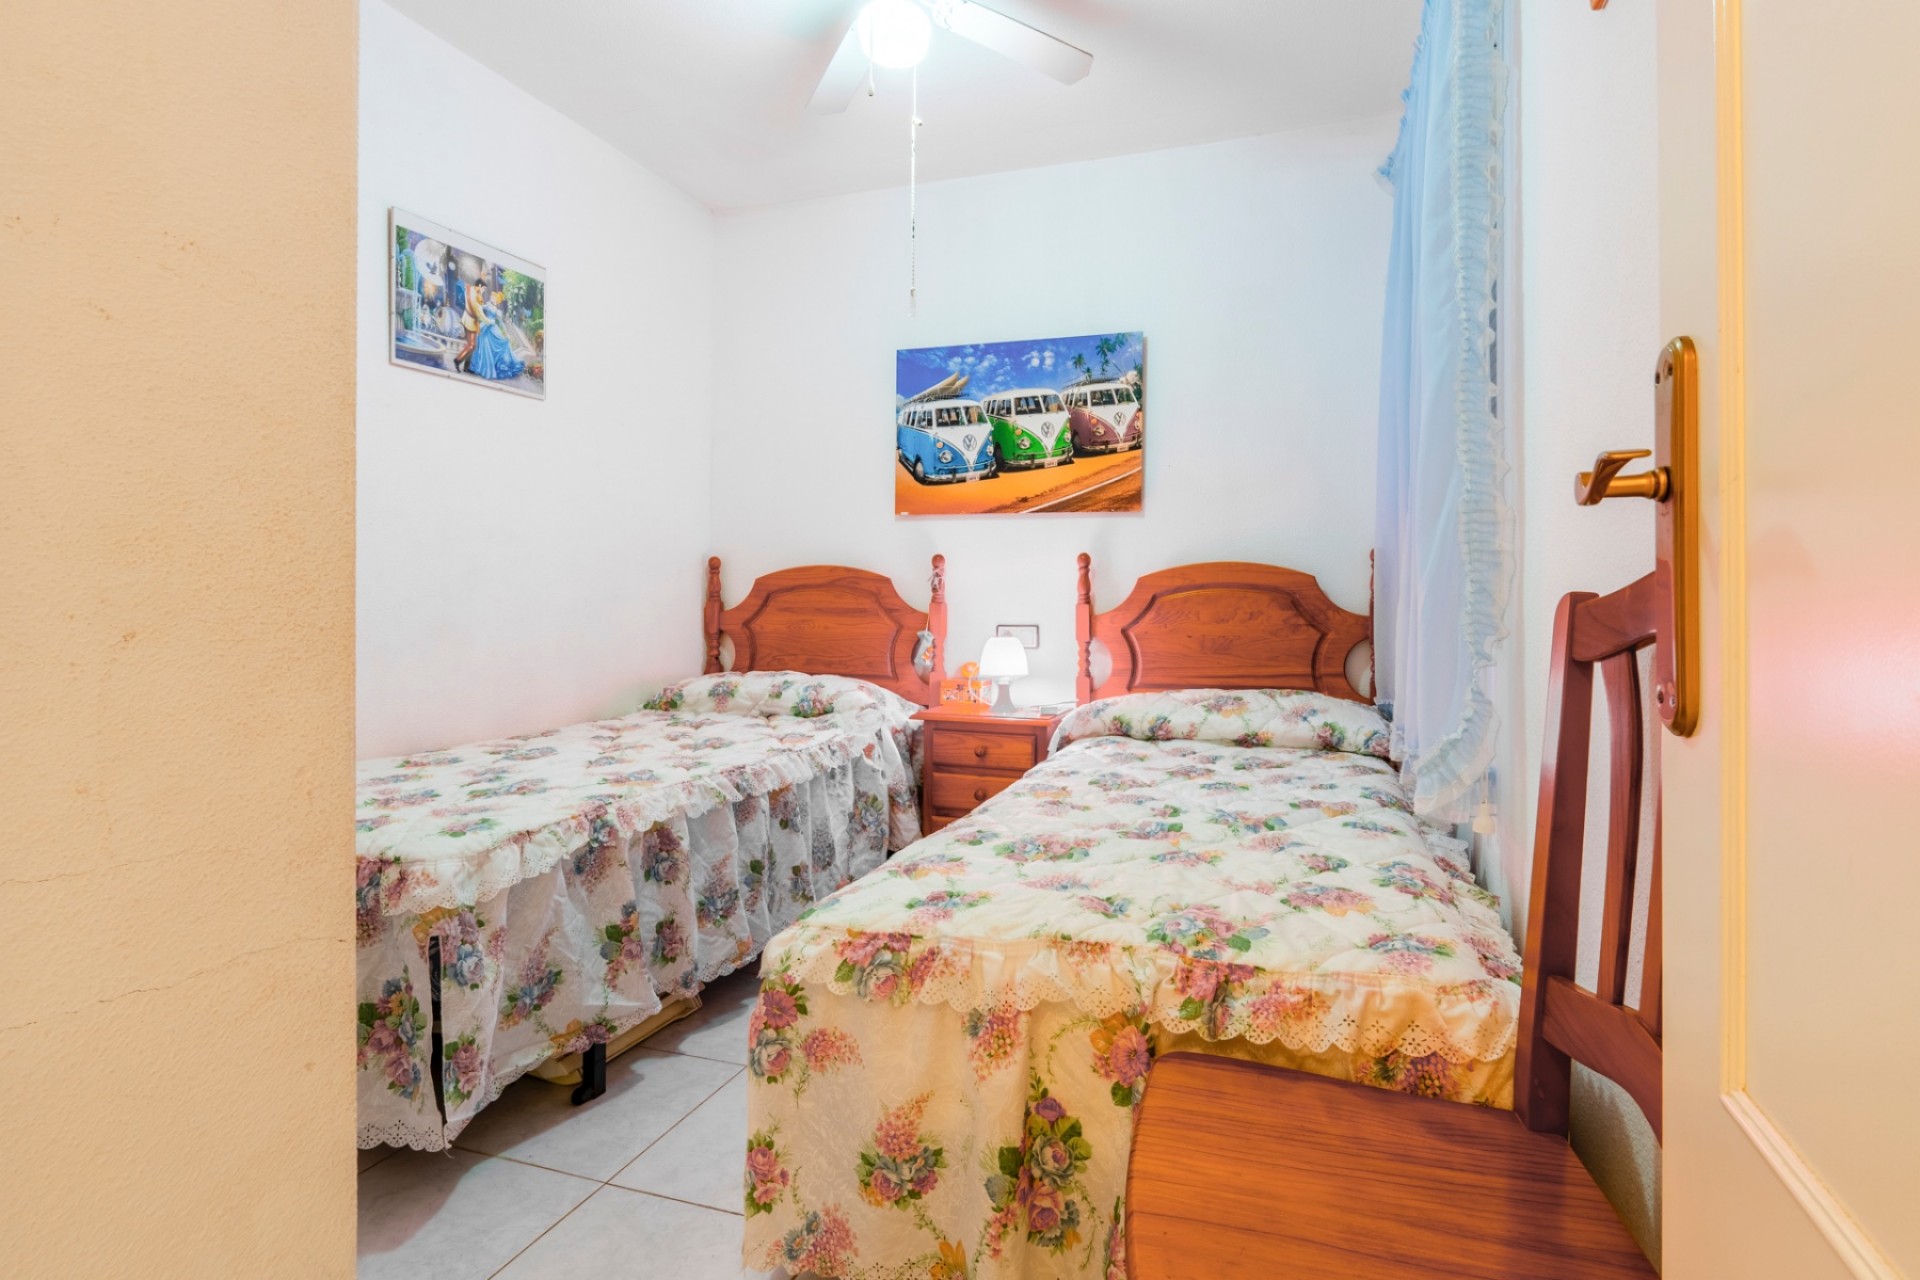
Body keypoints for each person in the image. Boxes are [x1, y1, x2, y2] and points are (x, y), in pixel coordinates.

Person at [467, 289, 526, 381]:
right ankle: (478, 367)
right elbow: (480, 309)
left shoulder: (498, 311)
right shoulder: (487, 305)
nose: (491, 297)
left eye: (493, 297)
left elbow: (501, 323)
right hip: (485, 326)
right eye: (491, 296)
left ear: (497, 300)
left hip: (493, 328)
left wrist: (506, 333)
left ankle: (497, 366)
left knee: (501, 342)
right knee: (483, 345)